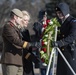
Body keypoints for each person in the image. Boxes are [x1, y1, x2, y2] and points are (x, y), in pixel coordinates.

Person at [1, 8, 38, 75]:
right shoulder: (8, 26)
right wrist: (29, 45)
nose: (22, 20)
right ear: (15, 17)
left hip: (18, 61)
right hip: (11, 61)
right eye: (21, 18)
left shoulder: (15, 28)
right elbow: (15, 40)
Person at [52, 2, 76, 75]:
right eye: (57, 13)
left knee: (69, 72)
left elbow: (72, 36)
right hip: (61, 51)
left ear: (65, 11)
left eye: (60, 12)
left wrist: (60, 43)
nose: (58, 14)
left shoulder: (72, 22)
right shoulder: (59, 22)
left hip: (69, 52)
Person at [21, 10, 39, 75]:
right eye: (25, 20)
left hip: (28, 61)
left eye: (27, 20)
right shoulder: (18, 31)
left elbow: (28, 47)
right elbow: (22, 48)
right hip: (22, 61)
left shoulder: (26, 31)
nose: (27, 22)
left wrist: (34, 47)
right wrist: (32, 57)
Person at [33, 10, 51, 75]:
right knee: (43, 69)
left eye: (46, 16)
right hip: (41, 50)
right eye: (43, 16)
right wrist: (41, 23)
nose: (45, 17)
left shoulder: (50, 24)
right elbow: (37, 32)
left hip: (48, 49)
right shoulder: (37, 24)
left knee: (49, 69)